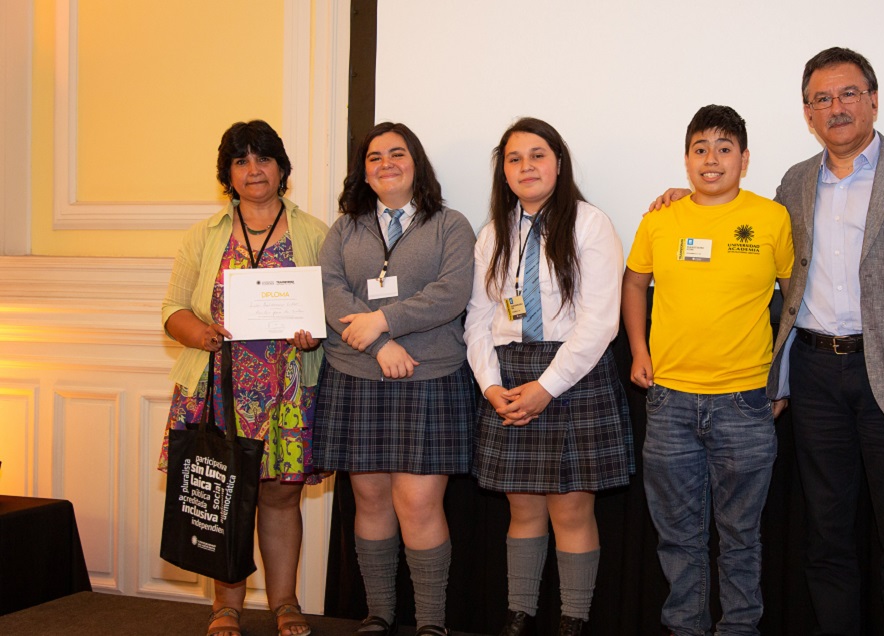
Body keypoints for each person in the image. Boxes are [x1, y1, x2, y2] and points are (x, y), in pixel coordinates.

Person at [652, 48, 884, 635]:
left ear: (873, 100)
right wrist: (684, 200)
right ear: (807, 113)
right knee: (826, 533)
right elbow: (749, 242)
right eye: (822, 99)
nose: (836, 107)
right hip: (815, 375)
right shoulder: (794, 182)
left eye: (848, 93)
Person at [624, 105, 793, 636]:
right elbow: (634, 284)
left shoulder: (772, 218)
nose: (712, 159)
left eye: (724, 148)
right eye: (700, 149)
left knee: (741, 537)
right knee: (678, 537)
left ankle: (739, 628)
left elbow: (795, 298)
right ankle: (686, 629)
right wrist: (638, 350)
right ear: (686, 159)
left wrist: (782, 377)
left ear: (744, 158)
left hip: (745, 401)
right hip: (669, 401)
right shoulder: (659, 219)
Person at [465, 117, 634, 636]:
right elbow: (478, 320)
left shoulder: (589, 223)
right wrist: (490, 386)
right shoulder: (493, 233)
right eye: (514, 159)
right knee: (522, 509)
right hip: (509, 377)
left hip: (572, 377)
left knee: (571, 511)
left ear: (558, 163)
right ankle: (519, 616)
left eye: (537, 155)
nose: (526, 167)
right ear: (504, 172)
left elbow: (601, 322)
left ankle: (572, 622)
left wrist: (545, 388)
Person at [159, 120, 329, 636]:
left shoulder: (315, 233)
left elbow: (331, 310)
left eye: (263, 158)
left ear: (281, 168)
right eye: (241, 161)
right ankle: (225, 607)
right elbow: (172, 310)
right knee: (222, 495)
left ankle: (285, 604)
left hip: (287, 389)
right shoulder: (204, 235)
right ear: (228, 174)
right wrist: (201, 333)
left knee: (280, 499)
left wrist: (314, 335)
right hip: (218, 388)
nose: (254, 170)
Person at [314, 122, 476, 636]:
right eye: (374, 157)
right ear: (363, 172)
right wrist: (380, 345)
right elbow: (330, 292)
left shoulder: (451, 225)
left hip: (429, 377)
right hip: (356, 374)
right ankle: (378, 614)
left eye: (397, 153)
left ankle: (431, 623)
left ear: (416, 163)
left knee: (419, 504)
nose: (386, 164)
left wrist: (384, 321)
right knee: (370, 501)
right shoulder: (344, 229)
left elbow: (452, 293)